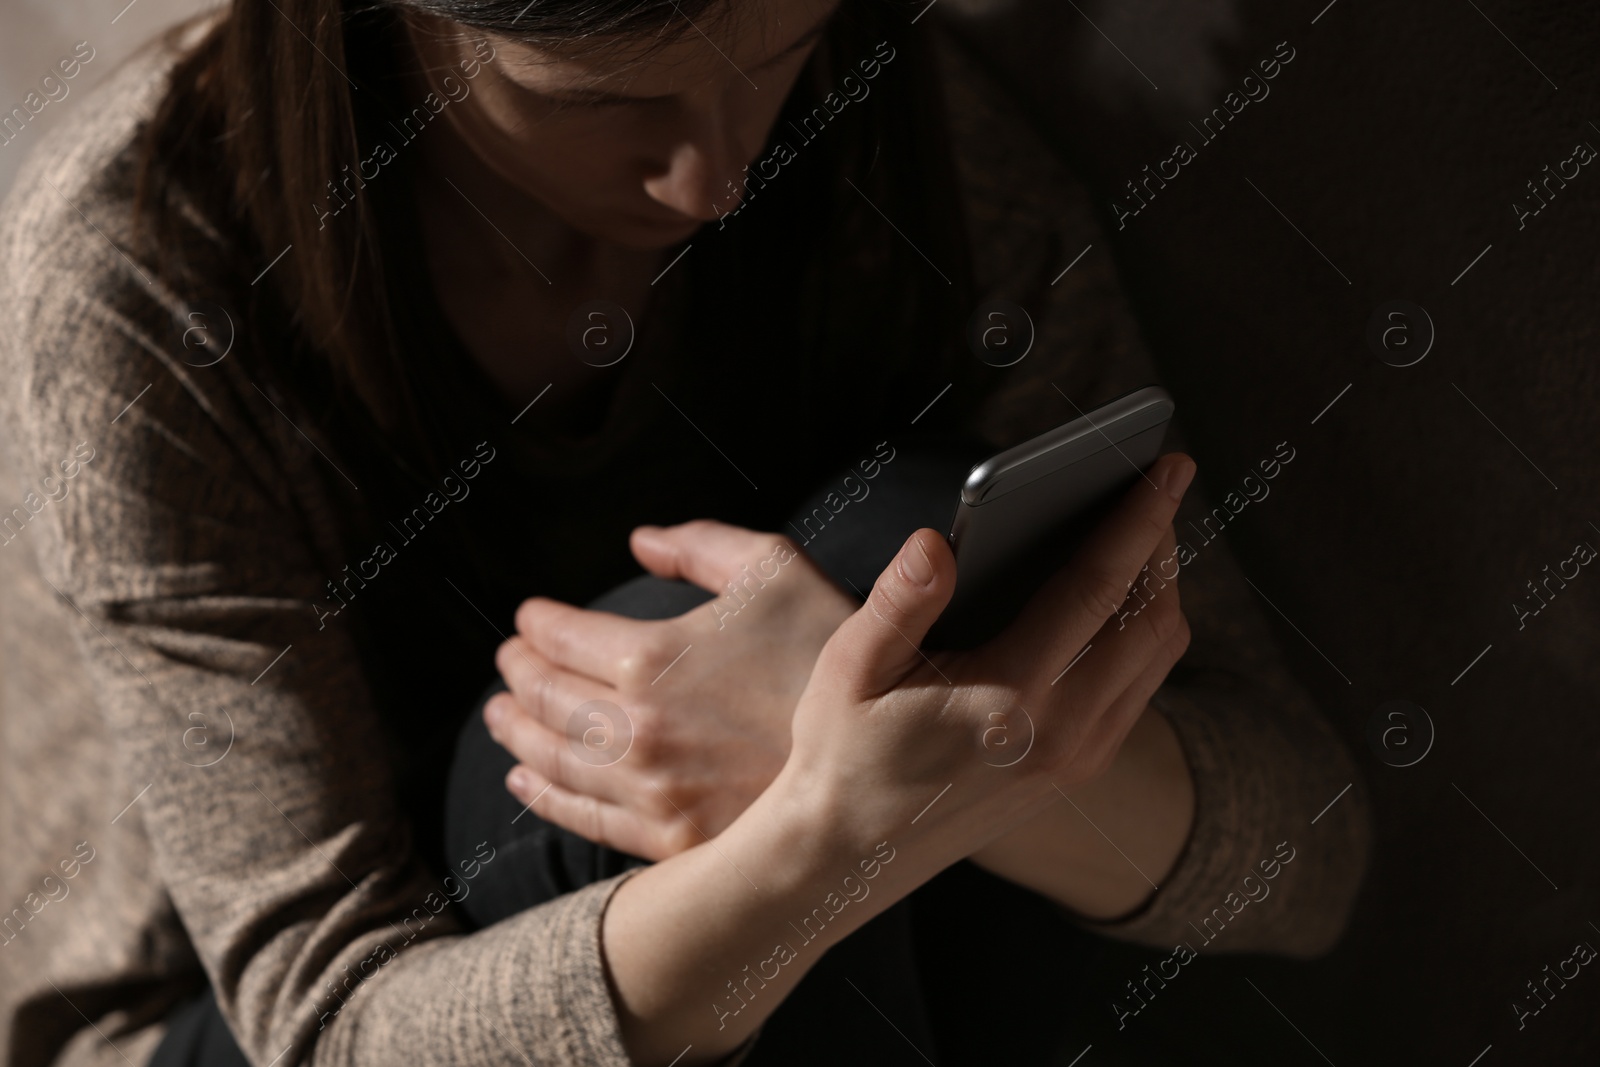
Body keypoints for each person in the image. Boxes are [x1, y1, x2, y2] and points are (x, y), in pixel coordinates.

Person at [0, 1, 1368, 1065]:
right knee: (658, 695)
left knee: (919, 558)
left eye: (782, 47)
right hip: (243, 1018)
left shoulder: (901, 136)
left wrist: (986, 754)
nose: (717, 174)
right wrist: (816, 842)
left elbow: (1308, 859)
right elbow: (327, 1024)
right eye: (610, 101)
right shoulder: (140, 278)